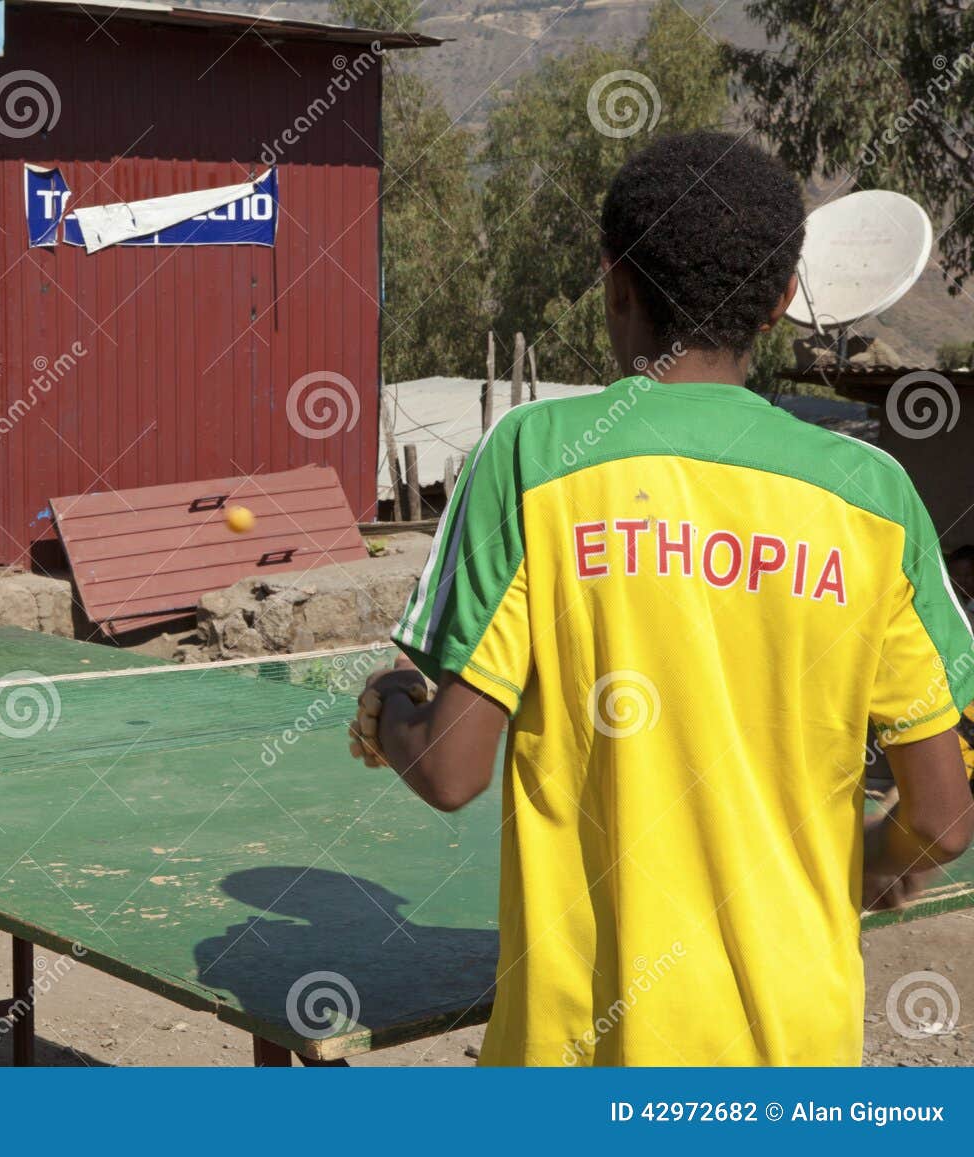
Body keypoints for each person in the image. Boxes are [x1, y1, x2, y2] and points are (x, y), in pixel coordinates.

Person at [352, 131, 974, 1066]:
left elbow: (450, 770)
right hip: (796, 1056)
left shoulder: (531, 457)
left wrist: (392, 706)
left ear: (616, 288)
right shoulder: (871, 496)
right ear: (777, 304)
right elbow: (944, 816)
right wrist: (874, 862)